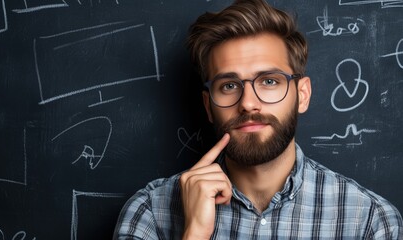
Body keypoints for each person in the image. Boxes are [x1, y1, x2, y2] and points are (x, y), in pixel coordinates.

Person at [113, 0, 403, 239]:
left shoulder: (369, 222)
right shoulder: (150, 212)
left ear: (302, 95)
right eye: (228, 86)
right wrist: (196, 233)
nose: (248, 103)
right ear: (208, 105)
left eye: (269, 82)